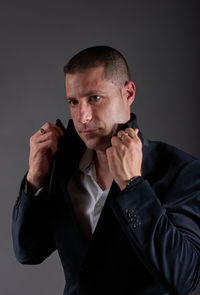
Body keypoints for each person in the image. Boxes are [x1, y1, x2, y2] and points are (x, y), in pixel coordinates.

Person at [12, 46, 200, 295]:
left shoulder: (181, 171)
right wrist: (35, 179)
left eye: (95, 98)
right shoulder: (62, 165)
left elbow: (183, 278)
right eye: (73, 102)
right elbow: (28, 252)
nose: (84, 117)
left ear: (128, 93)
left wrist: (133, 185)